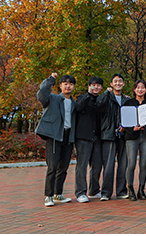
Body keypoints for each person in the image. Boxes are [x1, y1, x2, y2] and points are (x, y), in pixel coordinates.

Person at [36, 73, 77, 207]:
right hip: (54, 136)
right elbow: (41, 94)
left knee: (63, 167)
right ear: (60, 86)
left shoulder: (74, 103)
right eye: (65, 83)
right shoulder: (52, 98)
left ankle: (58, 193)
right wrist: (50, 80)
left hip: (68, 136)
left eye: (70, 84)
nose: (68, 86)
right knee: (52, 167)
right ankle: (48, 196)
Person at [95, 74, 130, 200]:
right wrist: (106, 93)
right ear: (111, 84)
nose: (118, 83)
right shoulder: (106, 97)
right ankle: (106, 192)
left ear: (123, 84)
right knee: (108, 164)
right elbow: (98, 105)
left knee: (123, 164)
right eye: (115, 81)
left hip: (123, 134)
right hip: (108, 134)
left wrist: (125, 126)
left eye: (120, 81)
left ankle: (121, 191)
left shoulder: (127, 99)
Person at [74, 76, 104, 203]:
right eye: (93, 85)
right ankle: (80, 192)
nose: (96, 87)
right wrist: (88, 95)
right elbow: (78, 107)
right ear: (89, 86)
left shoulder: (101, 100)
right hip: (83, 137)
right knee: (82, 166)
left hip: (97, 137)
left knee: (97, 165)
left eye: (98, 85)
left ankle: (94, 190)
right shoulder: (82, 98)